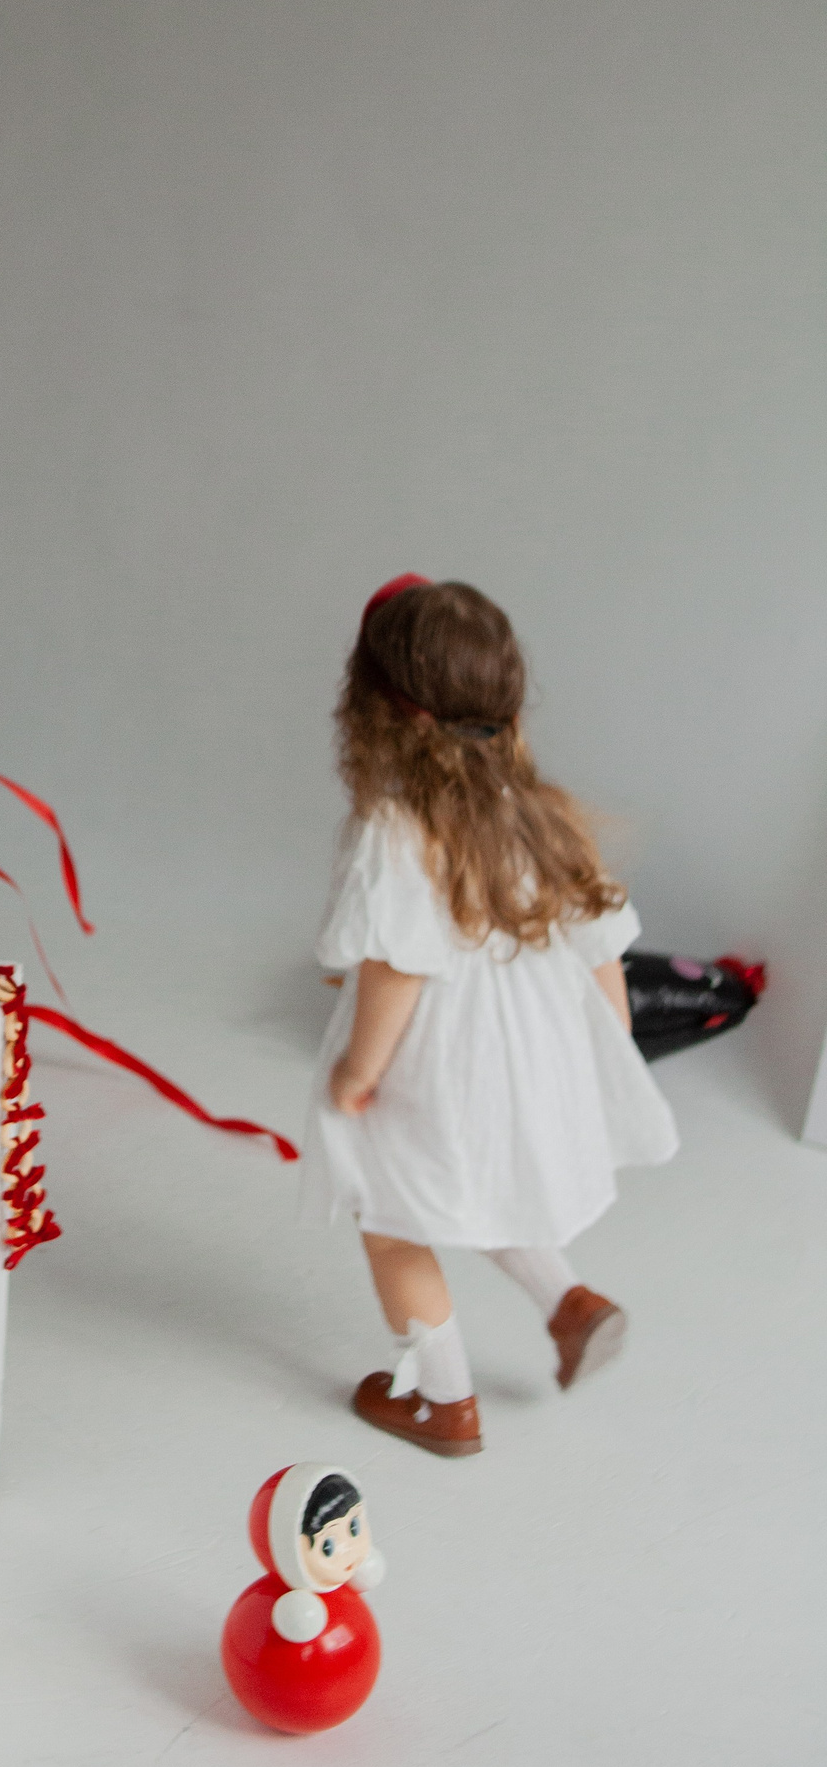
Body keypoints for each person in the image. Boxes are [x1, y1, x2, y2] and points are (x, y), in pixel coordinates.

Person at [303, 575, 678, 1457]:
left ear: (388, 710)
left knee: (392, 1219)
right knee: (475, 1185)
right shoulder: (539, 813)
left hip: (432, 1063)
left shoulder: (398, 829)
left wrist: (358, 1071)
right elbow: (601, 947)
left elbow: (398, 968)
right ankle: (569, 1304)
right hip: (528, 1059)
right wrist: (607, 1049)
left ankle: (444, 1401)